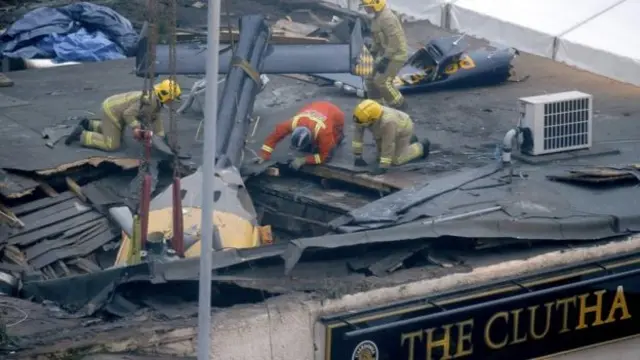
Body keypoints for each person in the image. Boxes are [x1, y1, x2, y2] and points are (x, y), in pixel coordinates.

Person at [65, 79, 181, 151]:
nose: (173, 102)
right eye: (173, 99)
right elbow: (128, 114)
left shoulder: (156, 101)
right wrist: (136, 127)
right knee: (112, 145)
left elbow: (155, 119)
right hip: (114, 111)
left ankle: (89, 124)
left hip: (115, 107)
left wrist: (161, 137)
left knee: (117, 133)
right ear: (166, 96)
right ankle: (82, 135)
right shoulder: (150, 101)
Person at [255, 101, 345, 169]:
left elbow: (324, 156)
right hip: (316, 106)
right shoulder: (290, 124)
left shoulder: (324, 132)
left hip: (335, 114)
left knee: (330, 149)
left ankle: (339, 138)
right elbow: (273, 138)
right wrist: (264, 155)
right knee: (310, 149)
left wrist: (304, 160)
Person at [352, 99, 429, 175]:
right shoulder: (362, 116)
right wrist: (358, 156)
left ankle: (421, 147)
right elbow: (358, 133)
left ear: (372, 119)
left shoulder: (387, 122)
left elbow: (388, 144)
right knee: (380, 157)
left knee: (395, 160)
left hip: (403, 129)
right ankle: (410, 141)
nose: (359, 125)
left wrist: (383, 167)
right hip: (386, 130)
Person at [361, 0, 408, 110]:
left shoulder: (387, 18)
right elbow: (378, 40)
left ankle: (400, 106)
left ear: (375, 5)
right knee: (369, 79)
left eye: (367, 6)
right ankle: (376, 107)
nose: (365, 8)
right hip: (384, 53)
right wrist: (372, 52)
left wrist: (385, 59)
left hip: (396, 55)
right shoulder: (376, 18)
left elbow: (394, 42)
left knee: (382, 82)